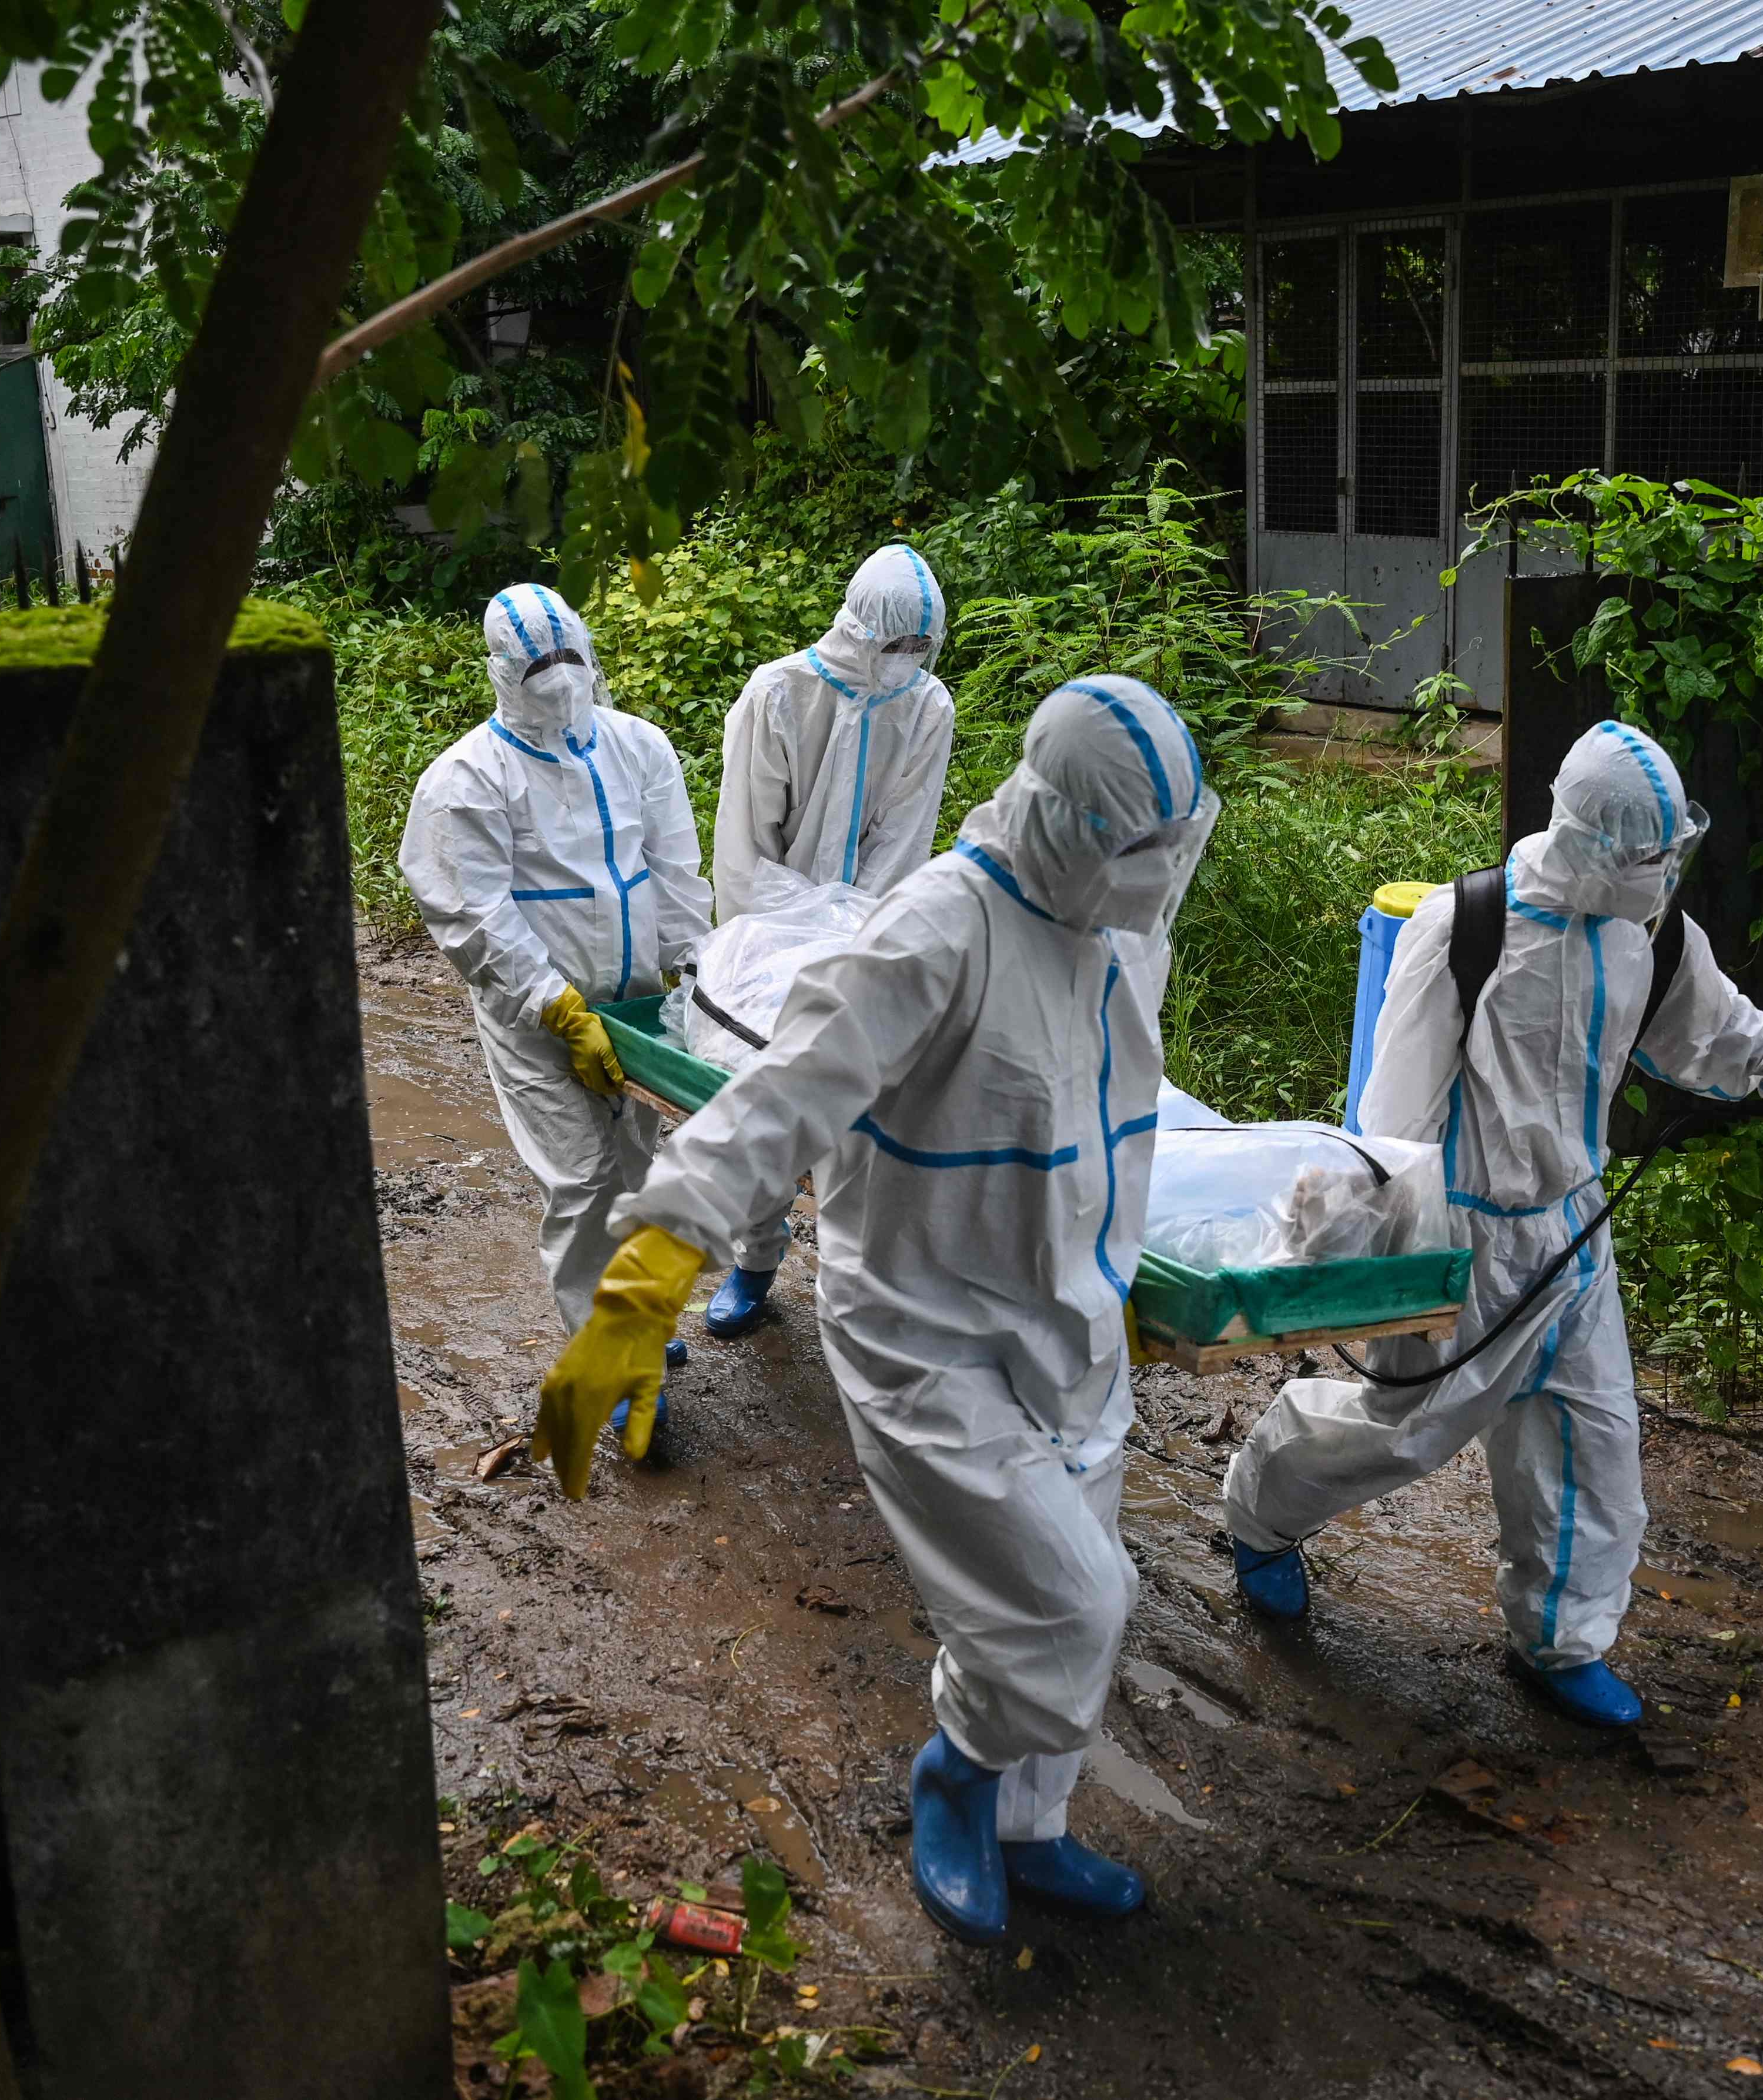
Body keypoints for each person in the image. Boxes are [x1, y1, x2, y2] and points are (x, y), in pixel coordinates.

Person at [533, 676, 1215, 1945]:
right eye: (1139, 850)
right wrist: (644, 1278)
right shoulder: (936, 933)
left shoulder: (1118, 917)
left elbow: (1096, 1116)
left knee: (1030, 1606)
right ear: (1067, 826)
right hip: (928, 1332)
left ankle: (1031, 1825)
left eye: (1175, 845)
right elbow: (778, 1099)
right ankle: (955, 1776)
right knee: (1075, 1600)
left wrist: (1114, 1270)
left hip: (1069, 1322)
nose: (1159, 875)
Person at [1219, 721, 1763, 1728]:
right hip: (1464, 1236)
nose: (1663, 871)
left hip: (1574, 1232)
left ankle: (1559, 1639)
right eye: (1647, 855)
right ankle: (1261, 1510)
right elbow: (1393, 1116)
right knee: (1408, 1431)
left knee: (1592, 1444)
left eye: (1671, 850)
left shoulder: (1648, 935)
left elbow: (1711, 1035)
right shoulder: (1463, 931)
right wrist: (1341, 1241)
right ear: (1588, 841)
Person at [399, 581, 711, 1389]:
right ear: (502, 670)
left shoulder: (638, 747)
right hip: (540, 1017)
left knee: (641, 1174)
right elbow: (473, 914)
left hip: (639, 1007)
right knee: (581, 1182)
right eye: (539, 663)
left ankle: (631, 1320)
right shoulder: (466, 779)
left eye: (570, 655)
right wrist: (557, 1008)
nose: (560, 676)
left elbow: (675, 870)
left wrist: (692, 971)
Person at [700, 543, 958, 1339]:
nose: (906, 662)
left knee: (870, 1112)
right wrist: (790, 938)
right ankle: (753, 1261)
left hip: (865, 933)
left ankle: (864, 1294)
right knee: (767, 1103)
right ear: (859, 628)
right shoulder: (778, 695)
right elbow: (745, 850)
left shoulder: (926, 706)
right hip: (761, 939)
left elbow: (903, 841)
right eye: (895, 645)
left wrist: (859, 934)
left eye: (922, 648)